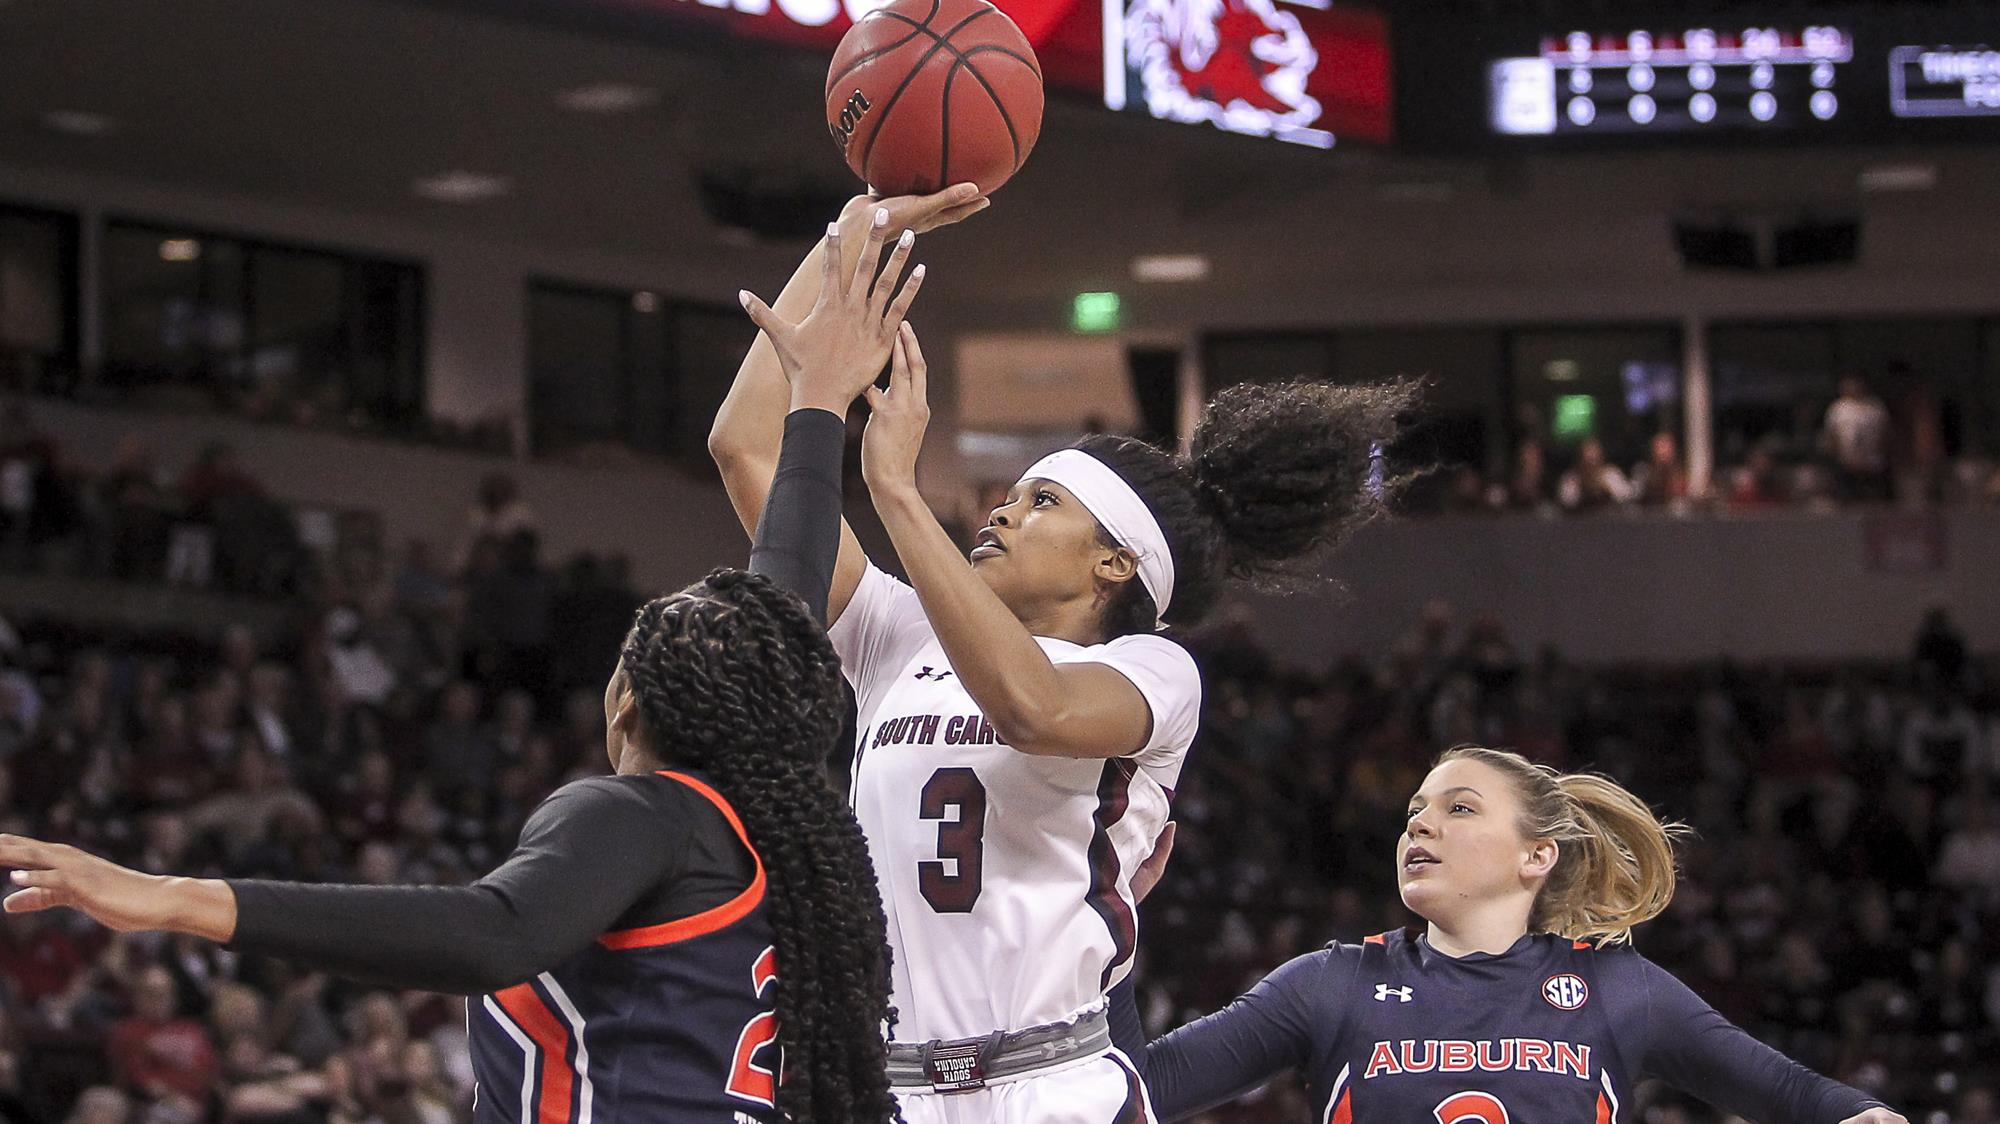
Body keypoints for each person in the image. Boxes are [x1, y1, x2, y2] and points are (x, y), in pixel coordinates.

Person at [717, 188, 1415, 1121]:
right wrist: (859, 237)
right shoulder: (902, 634)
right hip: (883, 1089)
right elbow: (748, 447)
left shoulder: (1152, 674)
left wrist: (896, 490)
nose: (1003, 509)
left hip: (1049, 1086)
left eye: (1043, 501)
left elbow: (1031, 709)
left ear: (1116, 563)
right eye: (1012, 493)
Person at [0, 536, 902, 1114]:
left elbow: (491, 935)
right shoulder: (775, 838)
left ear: (624, 700)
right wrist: (813, 395)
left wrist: (170, 897)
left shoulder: (636, 813)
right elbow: (785, 576)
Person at [1135, 746, 1909, 1124]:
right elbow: (1139, 1090)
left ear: (1537, 855)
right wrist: (1111, 933)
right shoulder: (1330, 983)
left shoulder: (1617, 988)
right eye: (1414, 812)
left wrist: (1865, 1115)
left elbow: (1790, 1094)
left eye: (1459, 809)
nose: (1421, 825)